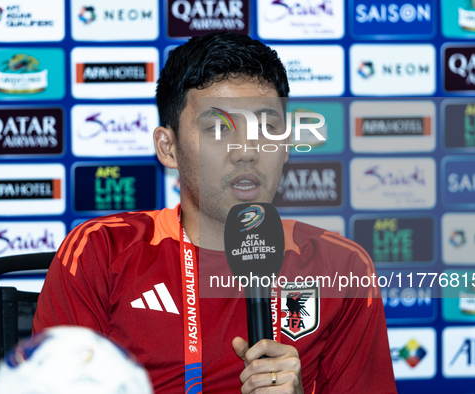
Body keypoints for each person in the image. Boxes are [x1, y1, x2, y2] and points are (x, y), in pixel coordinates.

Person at [33, 32, 397, 393]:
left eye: (267, 127)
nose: (246, 151)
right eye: (219, 128)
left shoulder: (342, 268)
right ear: (168, 147)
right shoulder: (102, 250)